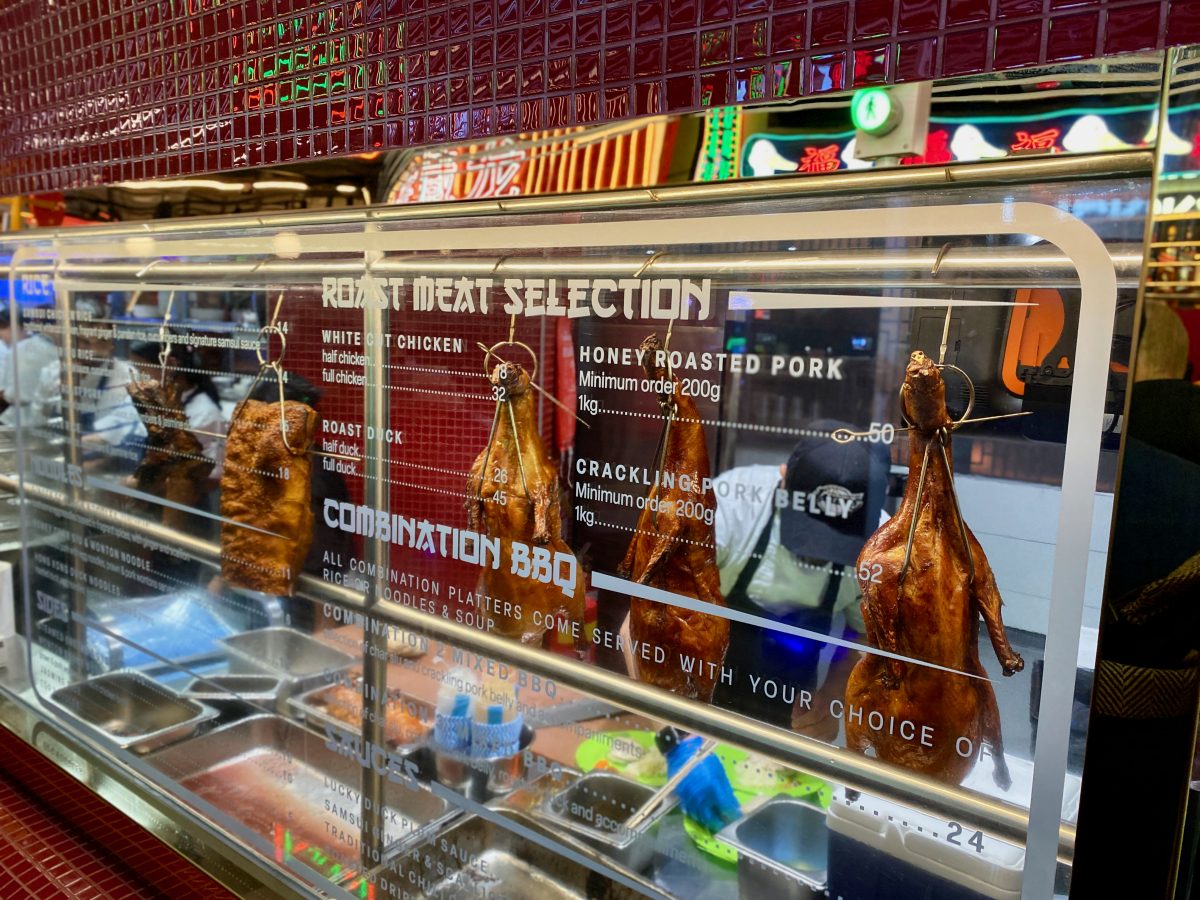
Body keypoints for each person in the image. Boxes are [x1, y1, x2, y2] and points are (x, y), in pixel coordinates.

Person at [708, 421, 890, 735]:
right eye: (809, 535)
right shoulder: (730, 508)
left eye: (837, 546)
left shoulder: (882, 548)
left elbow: (863, 635)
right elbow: (659, 614)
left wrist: (834, 695)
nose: (819, 557)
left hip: (794, 695)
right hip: (705, 674)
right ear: (783, 481)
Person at [128, 336, 226, 476]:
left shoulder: (205, 414)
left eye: (142, 369)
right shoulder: (154, 401)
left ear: (170, 365)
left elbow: (210, 479)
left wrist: (138, 484)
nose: (138, 379)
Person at [0, 302, 59, 427]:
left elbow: (11, 395)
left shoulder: (19, 350)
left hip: (19, 422)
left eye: (3, 327)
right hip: (41, 421)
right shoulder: (55, 350)